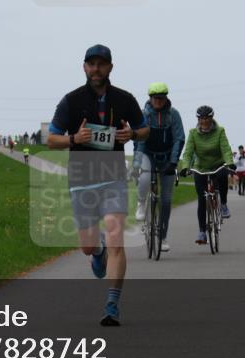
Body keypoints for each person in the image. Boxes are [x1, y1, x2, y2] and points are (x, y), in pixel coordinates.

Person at [47, 44, 148, 326]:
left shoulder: (125, 99)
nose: (96, 69)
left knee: (116, 238)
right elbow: (51, 139)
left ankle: (112, 303)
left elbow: (144, 128)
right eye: (91, 64)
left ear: (110, 67)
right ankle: (98, 252)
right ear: (84, 67)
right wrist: (73, 139)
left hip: (114, 177)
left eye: (101, 64)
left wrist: (133, 134)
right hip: (81, 179)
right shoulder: (71, 100)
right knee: (88, 247)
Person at [132, 82, 185, 252]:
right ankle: (141, 203)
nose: (158, 101)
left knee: (166, 200)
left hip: (167, 157)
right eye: (155, 98)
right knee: (145, 177)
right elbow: (139, 141)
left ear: (166, 98)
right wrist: (137, 164)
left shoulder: (173, 114)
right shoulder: (144, 115)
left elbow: (179, 138)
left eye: (161, 98)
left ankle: (162, 237)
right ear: (150, 98)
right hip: (148, 154)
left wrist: (174, 162)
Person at [178, 106, 233, 244]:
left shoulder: (220, 131)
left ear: (211, 118)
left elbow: (226, 149)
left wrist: (229, 162)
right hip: (200, 167)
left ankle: (224, 204)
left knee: (222, 176)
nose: (204, 121)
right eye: (201, 118)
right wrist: (185, 167)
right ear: (198, 119)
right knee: (202, 199)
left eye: (207, 118)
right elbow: (188, 152)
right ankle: (202, 232)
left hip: (218, 164)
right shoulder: (193, 133)